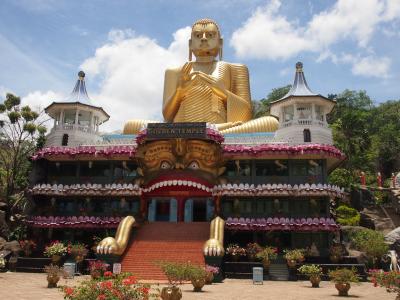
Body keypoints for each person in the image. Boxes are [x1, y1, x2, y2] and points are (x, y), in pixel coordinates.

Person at [123, 18, 278, 134]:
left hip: (221, 130)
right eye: (198, 36)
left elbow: (244, 117)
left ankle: (210, 132)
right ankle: (204, 132)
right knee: (130, 126)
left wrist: (224, 94)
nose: (203, 38)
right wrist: (179, 91)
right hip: (179, 130)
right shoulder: (175, 72)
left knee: (271, 123)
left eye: (210, 35)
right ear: (190, 44)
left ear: (220, 42)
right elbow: (168, 116)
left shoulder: (235, 69)